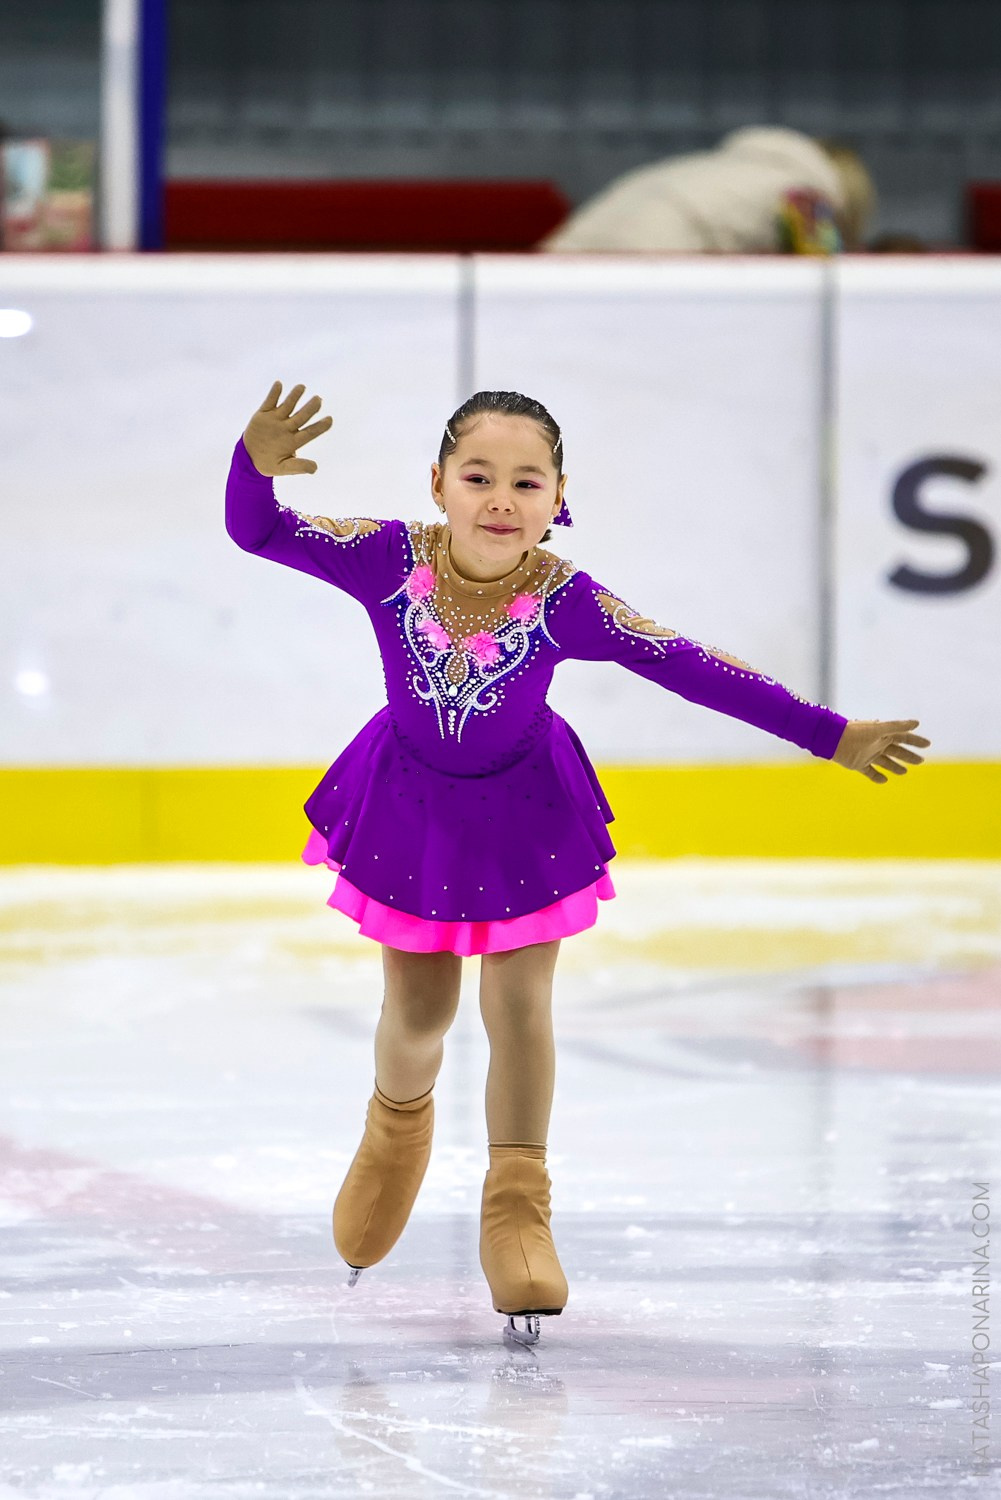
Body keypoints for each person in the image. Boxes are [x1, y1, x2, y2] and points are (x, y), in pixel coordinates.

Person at [225, 381, 928, 1345]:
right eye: (478, 476)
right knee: (420, 1017)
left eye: (526, 480)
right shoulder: (388, 559)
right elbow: (258, 534)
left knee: (518, 1009)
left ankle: (518, 1203)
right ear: (438, 483)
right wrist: (251, 464)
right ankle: (394, 1129)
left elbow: (689, 664)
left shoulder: (566, 601)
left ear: (558, 497)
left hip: (524, 816)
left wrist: (828, 734)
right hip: (414, 809)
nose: (499, 498)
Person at [538, 126, 876, 255]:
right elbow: (831, 274)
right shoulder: (805, 194)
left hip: (565, 251)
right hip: (646, 263)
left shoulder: (724, 166)